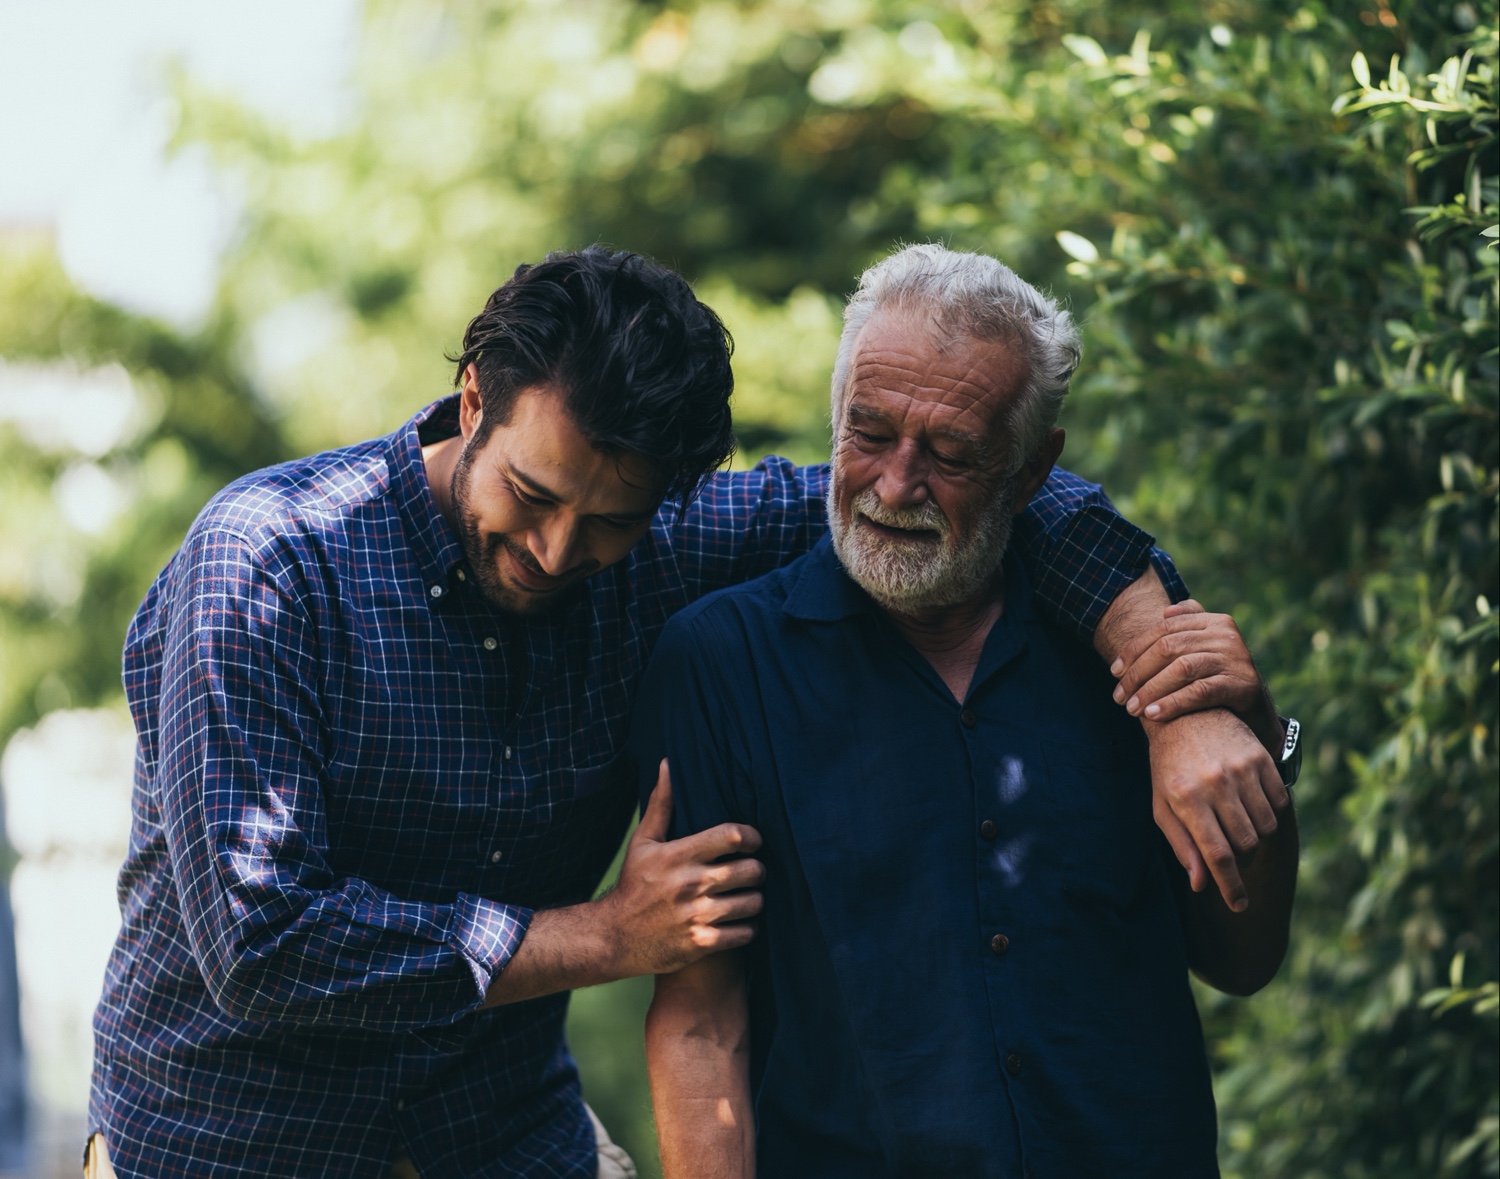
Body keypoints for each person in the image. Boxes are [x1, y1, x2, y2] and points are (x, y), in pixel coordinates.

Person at [88, 247, 1279, 1178]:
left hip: (500, 1147)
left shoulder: (666, 540)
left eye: (608, 522)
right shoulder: (266, 567)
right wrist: (610, 936)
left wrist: (1170, 685)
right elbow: (261, 942)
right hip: (229, 1144)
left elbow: (1005, 495)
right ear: (471, 404)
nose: (559, 552)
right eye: (532, 494)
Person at [635, 244, 1300, 1178]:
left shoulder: (1136, 651)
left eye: (950, 454)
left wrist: (1249, 734)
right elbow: (706, 1016)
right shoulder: (721, 661)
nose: (896, 486)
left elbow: (1243, 958)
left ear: (1033, 472)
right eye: (867, 434)